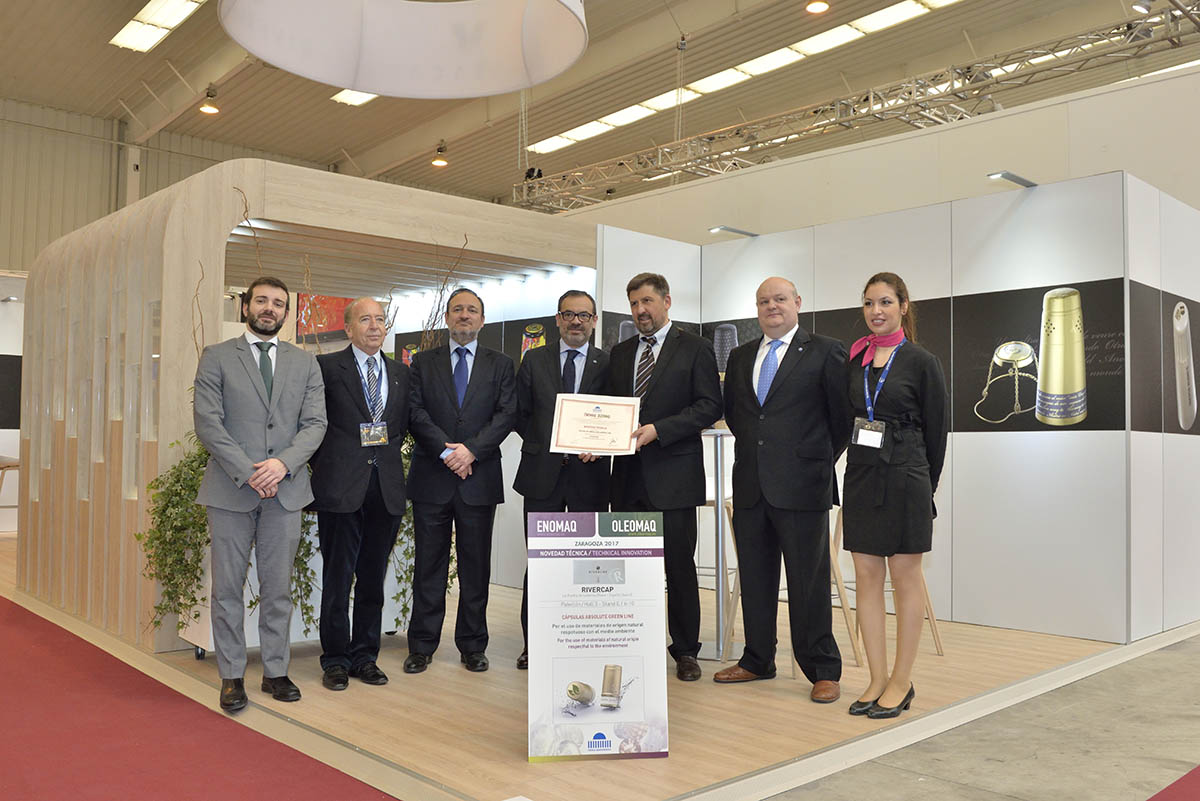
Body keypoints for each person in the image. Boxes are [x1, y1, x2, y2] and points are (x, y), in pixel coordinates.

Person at [193, 276, 327, 712]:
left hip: (285, 492)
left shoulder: (305, 363)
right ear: (246, 306)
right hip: (230, 490)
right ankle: (232, 676)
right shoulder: (217, 357)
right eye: (262, 301)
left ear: (286, 312)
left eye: (279, 303)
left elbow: (316, 424)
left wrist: (282, 464)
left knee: (278, 589)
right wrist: (248, 471)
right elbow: (208, 422)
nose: (270, 309)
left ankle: (276, 672)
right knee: (227, 589)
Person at [715, 277, 853, 703]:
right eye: (763, 301)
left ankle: (822, 669)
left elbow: (842, 419)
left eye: (779, 299)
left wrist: (813, 460)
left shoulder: (826, 350)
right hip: (751, 484)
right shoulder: (740, 356)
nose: (771, 306)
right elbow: (739, 416)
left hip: (803, 485)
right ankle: (758, 659)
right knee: (756, 578)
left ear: (797, 303)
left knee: (808, 583)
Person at [843, 272, 948, 719]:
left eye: (885, 302)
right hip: (862, 474)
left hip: (907, 475)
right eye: (869, 303)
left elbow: (937, 433)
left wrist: (925, 486)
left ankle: (902, 681)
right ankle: (876, 678)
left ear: (903, 306)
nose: (876, 311)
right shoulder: (856, 360)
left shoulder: (922, 361)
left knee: (905, 576)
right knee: (866, 575)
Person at [607, 273, 722, 681]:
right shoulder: (620, 353)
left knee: (679, 568)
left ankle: (686, 650)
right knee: (629, 569)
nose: (641, 310)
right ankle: (634, 642)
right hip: (627, 479)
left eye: (647, 302)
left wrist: (660, 429)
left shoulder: (696, 348)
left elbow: (709, 405)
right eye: (634, 304)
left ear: (666, 302)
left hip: (675, 478)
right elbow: (607, 408)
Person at [404, 287, 517, 674]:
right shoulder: (423, 363)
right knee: (428, 566)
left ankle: (472, 645)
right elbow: (414, 412)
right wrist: (447, 452)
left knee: (476, 567)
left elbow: (506, 415)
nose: (464, 315)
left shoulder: (501, 364)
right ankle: (421, 645)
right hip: (432, 478)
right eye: (457, 310)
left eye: (471, 310)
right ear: (447, 318)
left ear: (482, 320)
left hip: (478, 478)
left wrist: (470, 451)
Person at [308, 298, 410, 691]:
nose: (374, 326)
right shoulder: (326, 368)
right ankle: (335, 659)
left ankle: (365, 656)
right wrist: (327, 466)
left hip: (385, 489)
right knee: (337, 579)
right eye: (365, 319)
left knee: (372, 580)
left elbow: (403, 427)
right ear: (348, 328)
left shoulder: (401, 373)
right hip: (340, 489)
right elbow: (311, 423)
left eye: (380, 319)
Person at [513, 289, 611, 669]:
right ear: (557, 319)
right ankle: (534, 644)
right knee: (541, 563)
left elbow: (616, 415)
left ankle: (582, 641)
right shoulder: (534, 359)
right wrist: (548, 442)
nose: (576, 322)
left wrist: (598, 444)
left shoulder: (607, 363)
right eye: (569, 314)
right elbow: (520, 414)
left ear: (594, 321)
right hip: (542, 476)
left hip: (590, 477)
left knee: (588, 564)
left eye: (584, 315)